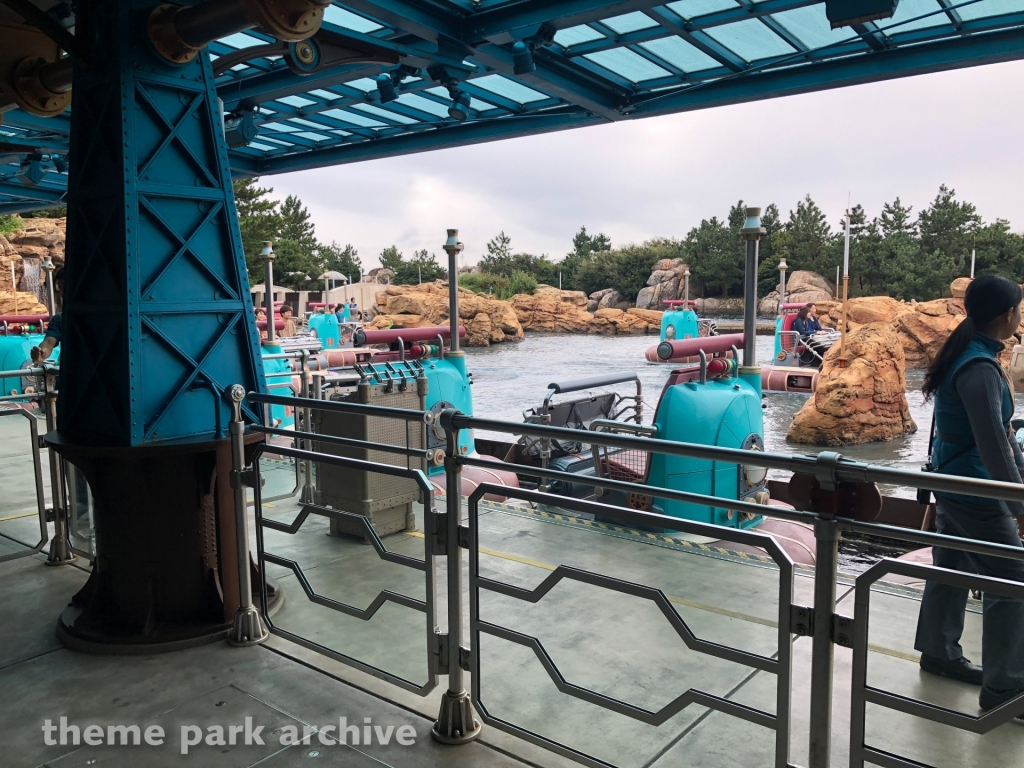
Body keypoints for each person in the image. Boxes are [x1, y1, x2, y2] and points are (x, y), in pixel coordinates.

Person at [913, 274, 1024, 718]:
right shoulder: (979, 369)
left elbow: (1001, 441)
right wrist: (1019, 507)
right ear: (1006, 315)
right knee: (1013, 580)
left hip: (952, 482)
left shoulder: (971, 355)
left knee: (952, 565)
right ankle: (1006, 689)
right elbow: (995, 450)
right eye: (1019, 307)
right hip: (973, 490)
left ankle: (938, 652)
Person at [30, 267, 64, 362]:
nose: (62, 293)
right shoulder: (59, 319)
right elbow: (49, 342)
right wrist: (41, 352)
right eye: (61, 288)